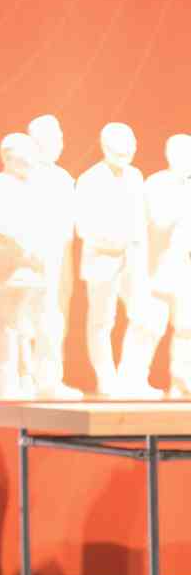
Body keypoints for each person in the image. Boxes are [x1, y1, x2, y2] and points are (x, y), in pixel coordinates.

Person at [75, 123, 156, 397]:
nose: (126, 155)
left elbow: (141, 219)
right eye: (119, 150)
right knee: (101, 321)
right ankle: (106, 378)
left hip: (133, 259)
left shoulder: (135, 176)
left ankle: (131, 376)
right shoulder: (90, 180)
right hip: (102, 260)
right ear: (105, 147)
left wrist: (139, 251)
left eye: (129, 149)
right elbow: (84, 226)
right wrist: (116, 241)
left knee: (144, 316)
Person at [0, 133, 46, 397]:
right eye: (26, 154)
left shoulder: (31, 187)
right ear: (9, 157)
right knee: (7, 328)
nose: (32, 160)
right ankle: (7, 384)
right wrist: (25, 247)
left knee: (25, 328)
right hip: (10, 272)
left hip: (32, 272)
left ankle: (26, 378)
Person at [27, 115, 82, 398]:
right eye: (56, 136)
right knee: (39, 317)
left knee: (58, 315)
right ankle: (36, 378)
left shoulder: (63, 178)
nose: (61, 141)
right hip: (36, 257)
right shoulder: (27, 177)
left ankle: (51, 377)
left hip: (62, 255)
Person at [139, 134, 191, 396]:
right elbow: (158, 222)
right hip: (158, 268)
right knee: (150, 327)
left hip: (184, 268)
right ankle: (135, 377)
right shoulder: (156, 184)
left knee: (186, 327)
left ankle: (182, 380)